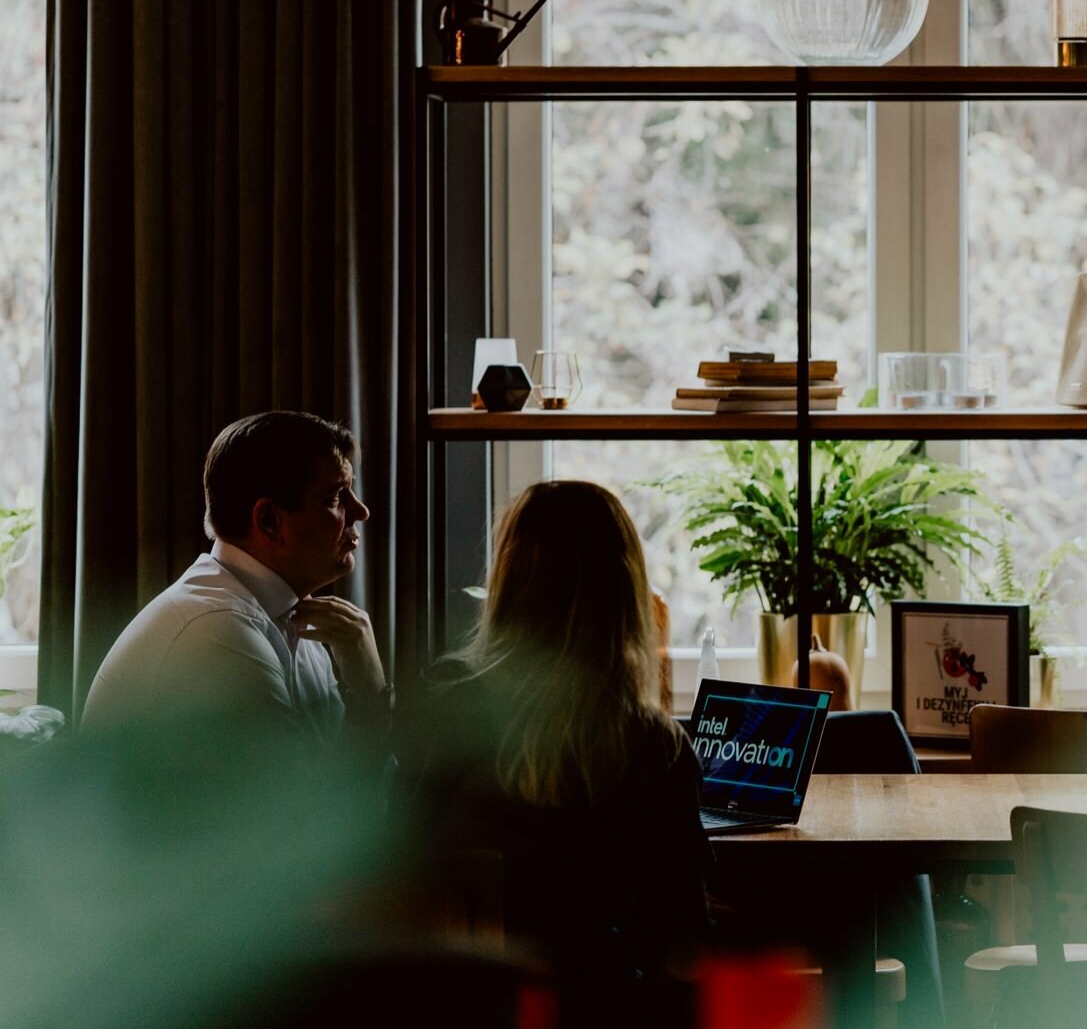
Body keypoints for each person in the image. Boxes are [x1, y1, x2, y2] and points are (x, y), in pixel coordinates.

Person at [403, 480, 708, 1024]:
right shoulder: (654, 748)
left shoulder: (452, 708)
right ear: (624, 590)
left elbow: (405, 865)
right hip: (603, 1008)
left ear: (509, 581)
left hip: (469, 1004)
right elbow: (681, 934)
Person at [83, 411, 389, 744]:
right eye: (333, 498)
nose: (361, 511)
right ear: (269, 521)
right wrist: (370, 690)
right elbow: (310, 795)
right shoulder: (218, 630)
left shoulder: (294, 616)